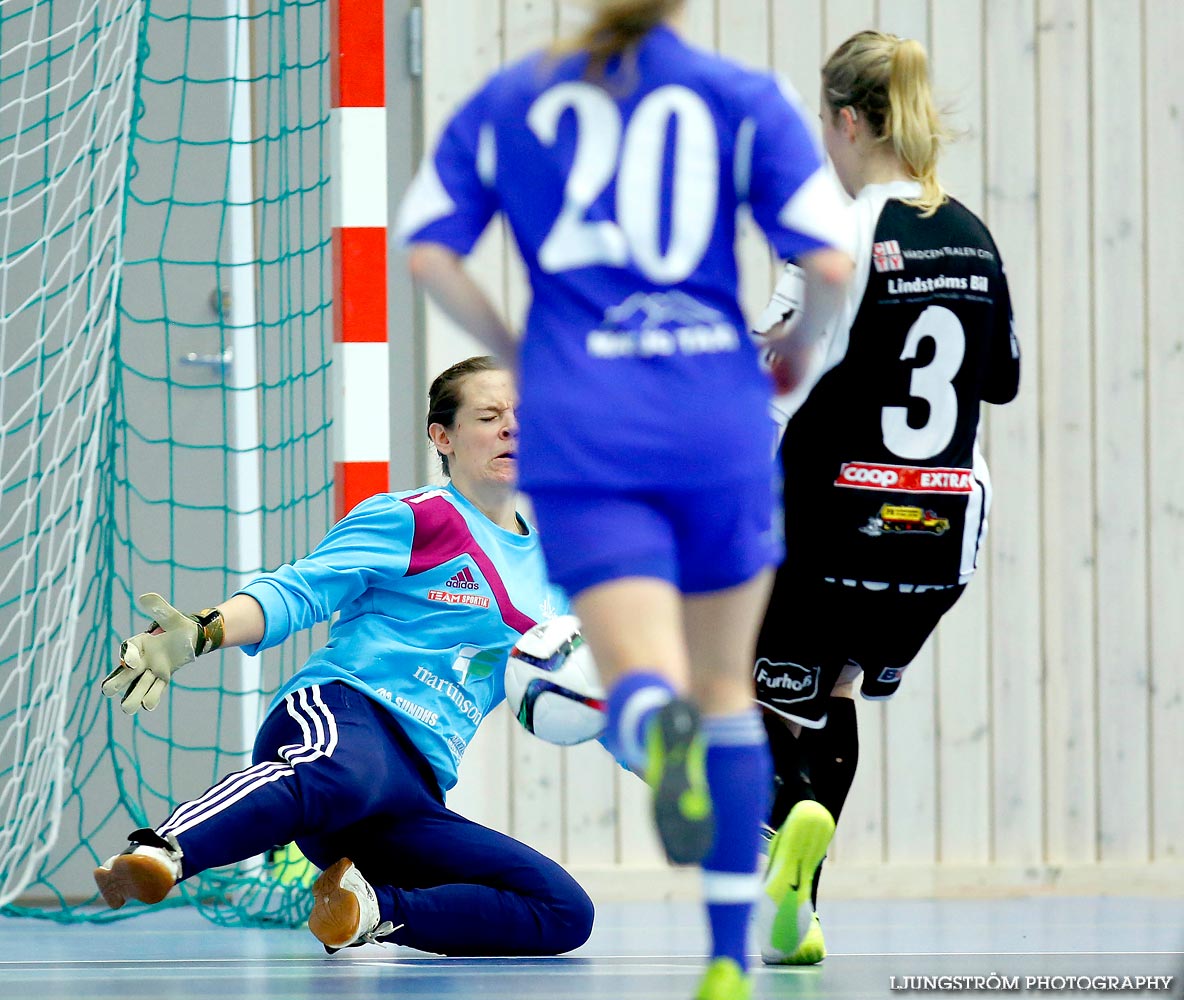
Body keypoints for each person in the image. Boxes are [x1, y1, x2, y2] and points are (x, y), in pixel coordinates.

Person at [394, 2, 853, 997]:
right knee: (727, 684)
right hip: (715, 416)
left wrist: (517, 350)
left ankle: (649, 722)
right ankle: (730, 954)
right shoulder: (741, 96)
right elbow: (826, 260)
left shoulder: (511, 98)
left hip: (587, 419)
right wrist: (797, 356)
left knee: (635, 670)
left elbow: (426, 247)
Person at [94, 356, 595, 958]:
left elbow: (594, 706)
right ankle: (163, 852)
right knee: (346, 773)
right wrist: (200, 633)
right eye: (489, 416)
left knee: (564, 910)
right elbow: (301, 590)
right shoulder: (415, 518)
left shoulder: (556, 582)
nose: (512, 428)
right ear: (443, 436)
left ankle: (367, 908)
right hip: (348, 716)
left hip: (413, 788)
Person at [749, 30, 1021, 966]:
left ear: (850, 120)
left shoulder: (845, 232)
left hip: (837, 516)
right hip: (941, 529)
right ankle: (798, 910)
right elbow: (1003, 380)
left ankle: (783, 824)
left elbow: (776, 380)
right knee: (833, 690)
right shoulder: (973, 233)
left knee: (719, 672)